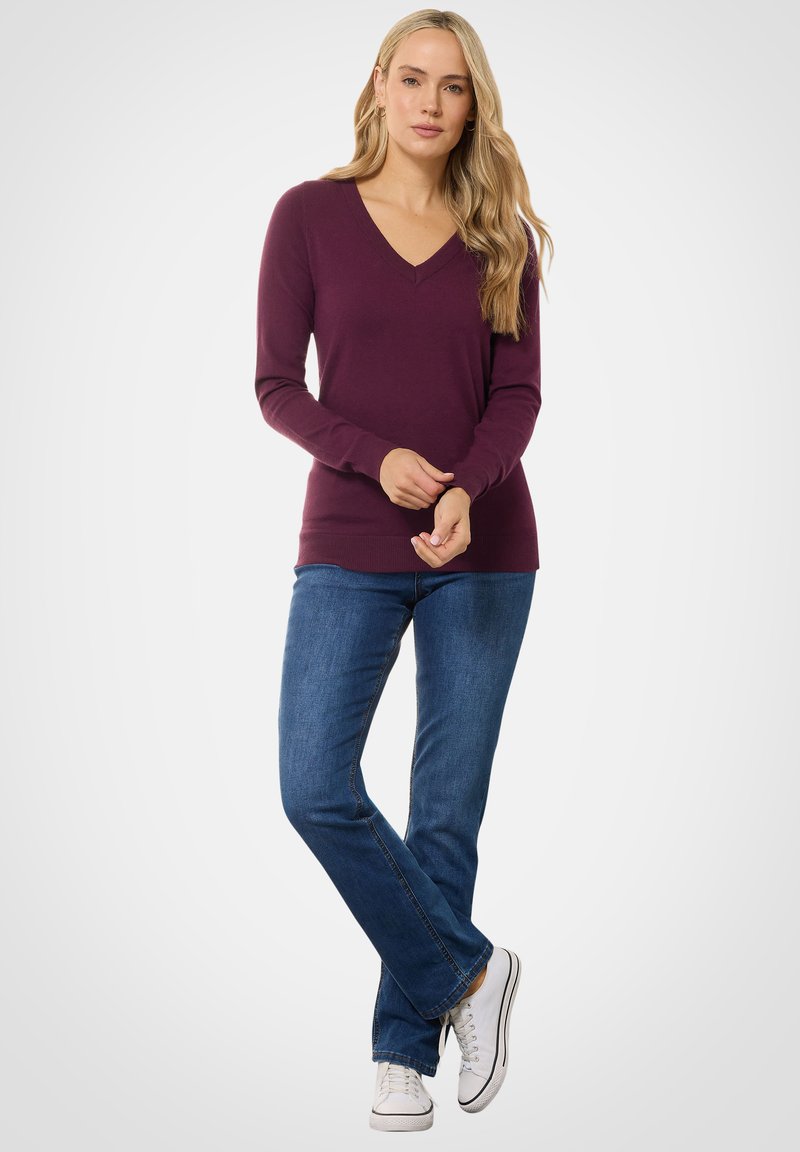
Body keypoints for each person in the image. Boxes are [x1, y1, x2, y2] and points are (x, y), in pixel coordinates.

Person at [254, 7, 552, 1133]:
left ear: (474, 106)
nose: (431, 102)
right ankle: (470, 973)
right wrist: (375, 460)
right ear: (378, 84)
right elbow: (276, 385)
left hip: (487, 547)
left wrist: (466, 486)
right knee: (314, 786)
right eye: (413, 78)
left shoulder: (500, 236)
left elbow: (518, 395)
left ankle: (400, 1059)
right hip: (349, 538)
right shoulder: (309, 216)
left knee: (444, 814)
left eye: (454, 85)